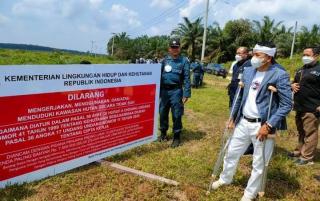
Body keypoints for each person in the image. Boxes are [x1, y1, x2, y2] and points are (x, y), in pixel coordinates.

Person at [211, 42, 292, 201]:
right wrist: (233, 117)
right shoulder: (248, 71)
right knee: (231, 152)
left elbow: (286, 104)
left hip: (262, 125)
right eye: (253, 53)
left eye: (257, 55)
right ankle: (225, 178)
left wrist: (268, 125)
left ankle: (249, 194)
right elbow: (239, 96)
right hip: (243, 122)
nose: (253, 57)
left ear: (268, 57)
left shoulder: (279, 74)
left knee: (259, 163)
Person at [289, 46, 320, 166]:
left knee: (310, 132)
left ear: (316, 56)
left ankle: (307, 157)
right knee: (301, 131)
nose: (304, 57)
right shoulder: (301, 69)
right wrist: (292, 86)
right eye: (303, 55)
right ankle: (299, 152)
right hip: (299, 106)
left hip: (313, 107)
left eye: (307, 55)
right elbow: (294, 83)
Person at [159, 38, 191, 148]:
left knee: (177, 114)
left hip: (176, 91)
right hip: (164, 91)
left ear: (179, 48)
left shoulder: (184, 61)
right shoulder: (164, 61)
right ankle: (163, 133)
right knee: (162, 113)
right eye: (172, 47)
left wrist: (186, 94)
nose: (174, 49)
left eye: (176, 47)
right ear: (169, 49)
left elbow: (187, 78)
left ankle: (176, 136)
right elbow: (158, 76)